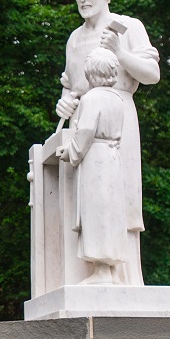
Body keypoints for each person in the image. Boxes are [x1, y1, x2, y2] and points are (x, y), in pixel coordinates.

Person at [56, 0, 160, 285]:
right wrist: (64, 101)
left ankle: (124, 277)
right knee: (89, 200)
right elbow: (71, 86)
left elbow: (152, 75)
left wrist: (121, 53)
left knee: (121, 197)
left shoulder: (127, 26)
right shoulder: (75, 39)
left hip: (119, 120)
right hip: (83, 123)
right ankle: (90, 273)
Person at [58, 48, 126, 285]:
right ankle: (111, 270)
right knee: (111, 211)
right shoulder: (118, 99)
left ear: (91, 75)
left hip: (95, 160)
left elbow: (85, 132)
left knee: (96, 212)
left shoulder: (91, 98)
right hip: (113, 158)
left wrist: (69, 152)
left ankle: (101, 271)